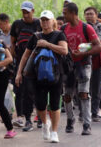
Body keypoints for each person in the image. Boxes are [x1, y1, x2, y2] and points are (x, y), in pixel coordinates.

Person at [15, 10, 68, 143]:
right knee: (40, 103)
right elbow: (25, 56)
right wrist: (18, 73)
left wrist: (47, 45)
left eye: (47, 20)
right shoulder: (35, 36)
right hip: (37, 75)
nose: (45, 22)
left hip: (56, 74)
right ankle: (45, 124)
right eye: (43, 20)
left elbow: (64, 50)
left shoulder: (59, 35)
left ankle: (54, 132)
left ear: (52, 21)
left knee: (55, 104)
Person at [61, 2, 101, 135]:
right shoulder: (63, 29)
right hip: (68, 66)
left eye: (65, 13)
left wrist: (83, 53)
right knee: (67, 95)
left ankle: (86, 124)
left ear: (73, 13)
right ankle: (70, 120)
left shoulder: (86, 28)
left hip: (83, 64)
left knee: (83, 94)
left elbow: (99, 47)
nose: (63, 15)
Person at [10, 1, 41, 131]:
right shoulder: (17, 24)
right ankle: (27, 118)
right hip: (22, 62)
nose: (25, 14)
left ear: (33, 11)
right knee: (23, 90)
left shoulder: (38, 23)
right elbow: (13, 43)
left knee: (39, 90)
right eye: (23, 12)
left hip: (38, 62)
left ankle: (40, 117)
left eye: (27, 12)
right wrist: (14, 60)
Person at [84, 7, 101, 122]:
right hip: (84, 62)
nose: (89, 16)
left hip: (98, 62)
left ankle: (94, 112)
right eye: (87, 14)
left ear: (96, 15)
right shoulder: (82, 28)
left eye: (91, 14)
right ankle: (84, 112)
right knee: (84, 88)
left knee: (96, 88)